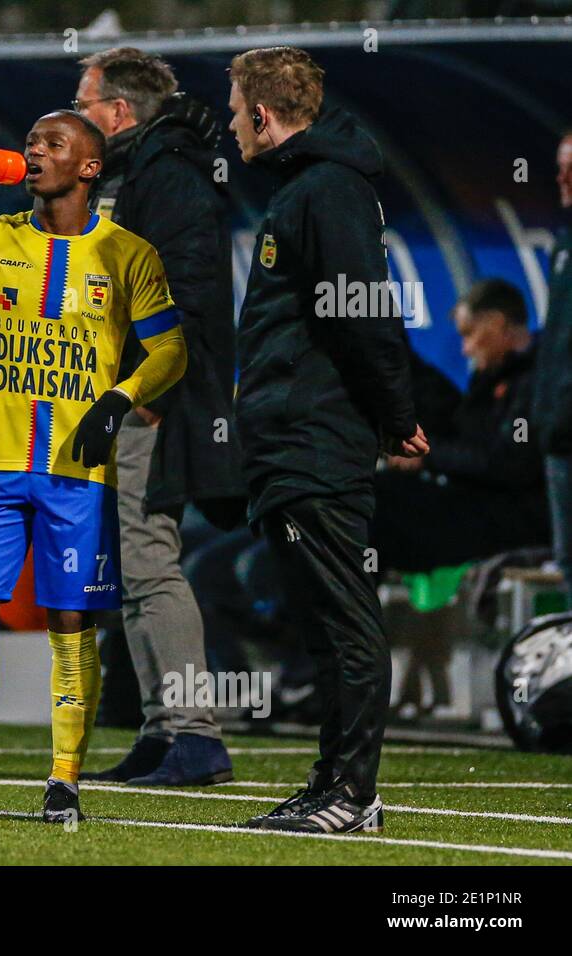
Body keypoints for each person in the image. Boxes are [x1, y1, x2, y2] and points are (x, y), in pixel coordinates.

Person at [0, 110, 188, 824]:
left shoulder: (128, 254)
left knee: (68, 620)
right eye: (30, 142)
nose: (34, 151)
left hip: (76, 475)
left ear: (90, 168)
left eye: (54, 143)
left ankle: (64, 782)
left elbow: (172, 350)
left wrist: (119, 399)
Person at [226, 47, 427, 833]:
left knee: (345, 619)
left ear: (265, 117)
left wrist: (395, 415)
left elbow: (362, 314)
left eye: (239, 111)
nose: (233, 125)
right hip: (289, 438)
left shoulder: (329, 190)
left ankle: (353, 794)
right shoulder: (308, 189)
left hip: (317, 438)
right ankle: (329, 784)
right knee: (321, 621)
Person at [73, 47, 241, 787]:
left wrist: (146, 388)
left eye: (83, 106)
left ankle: (196, 736)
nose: (76, 118)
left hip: (150, 401)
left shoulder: (168, 176)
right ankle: (159, 729)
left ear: (118, 112)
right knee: (133, 571)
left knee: (152, 565)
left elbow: (192, 293)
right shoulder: (143, 171)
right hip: (126, 399)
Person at [374, 280, 547, 570]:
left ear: (496, 323)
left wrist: (427, 456)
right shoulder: (490, 378)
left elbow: (508, 461)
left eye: (469, 334)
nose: (465, 350)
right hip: (478, 504)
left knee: (377, 506)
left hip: (510, 519)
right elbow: (459, 428)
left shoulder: (533, 383)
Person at [535, 131, 572, 596]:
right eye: (560, 167)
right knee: (568, 569)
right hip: (559, 436)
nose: (562, 179)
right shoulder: (563, 244)